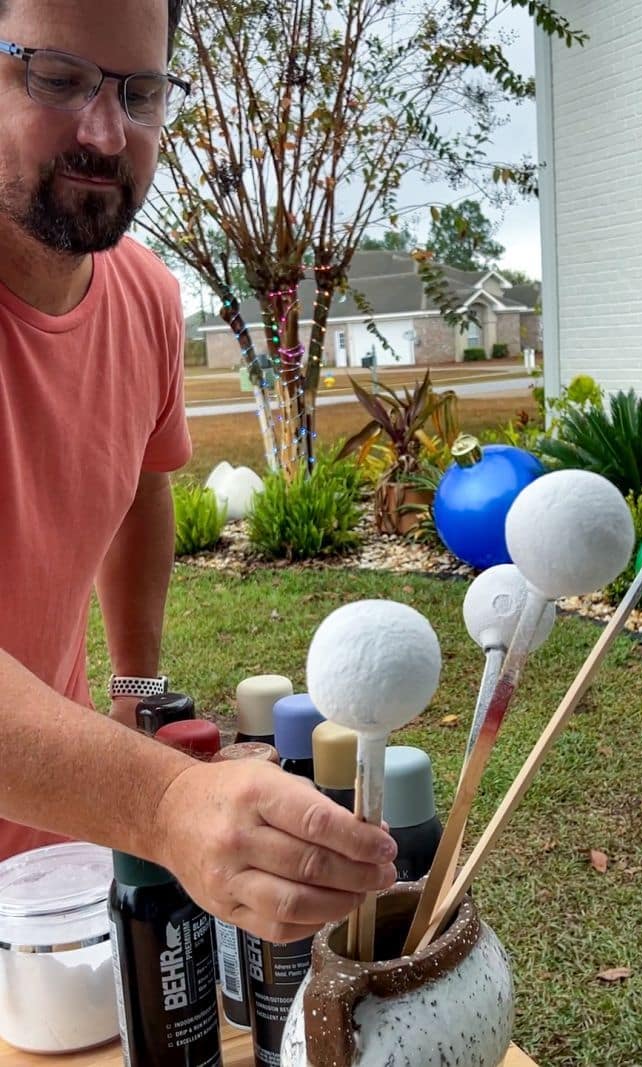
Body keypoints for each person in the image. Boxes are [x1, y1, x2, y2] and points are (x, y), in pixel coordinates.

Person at [0, 0, 396, 944]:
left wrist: (138, 686)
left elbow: (139, 479)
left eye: (141, 92)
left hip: (51, 839)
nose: (105, 132)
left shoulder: (146, 297)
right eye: (56, 78)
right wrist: (169, 800)